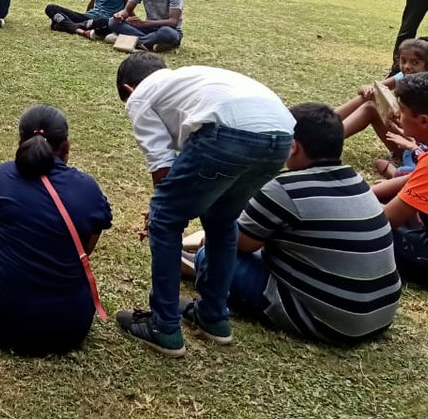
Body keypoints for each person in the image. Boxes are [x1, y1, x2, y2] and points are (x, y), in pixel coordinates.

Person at [113, 54, 294, 356]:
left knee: (166, 218)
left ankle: (164, 326)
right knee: (223, 219)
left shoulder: (141, 96)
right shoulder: (188, 81)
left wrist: (165, 211)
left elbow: (161, 167)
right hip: (281, 135)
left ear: (129, 89)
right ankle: (213, 316)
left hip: (230, 134)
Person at [187, 103, 400, 344]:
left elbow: (238, 244)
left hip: (332, 323)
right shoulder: (357, 181)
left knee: (209, 255)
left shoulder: (284, 188)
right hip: (379, 315)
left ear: (293, 146)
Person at [0, 105, 112, 355]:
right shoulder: (89, 190)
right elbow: (86, 249)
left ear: (20, 141)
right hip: (71, 329)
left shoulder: (4, 176)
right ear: (66, 145)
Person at [381, 73, 428, 294]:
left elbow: (385, 222)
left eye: (402, 111)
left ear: (424, 120)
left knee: (371, 238)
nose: (397, 115)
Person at [336, 37, 428, 172]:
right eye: (403, 61)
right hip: (402, 137)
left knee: (370, 107)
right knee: (370, 98)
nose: (407, 67)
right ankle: (328, 125)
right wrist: (366, 88)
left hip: (416, 148)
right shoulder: (403, 76)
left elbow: (427, 131)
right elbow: (373, 86)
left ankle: (327, 137)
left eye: (414, 62)